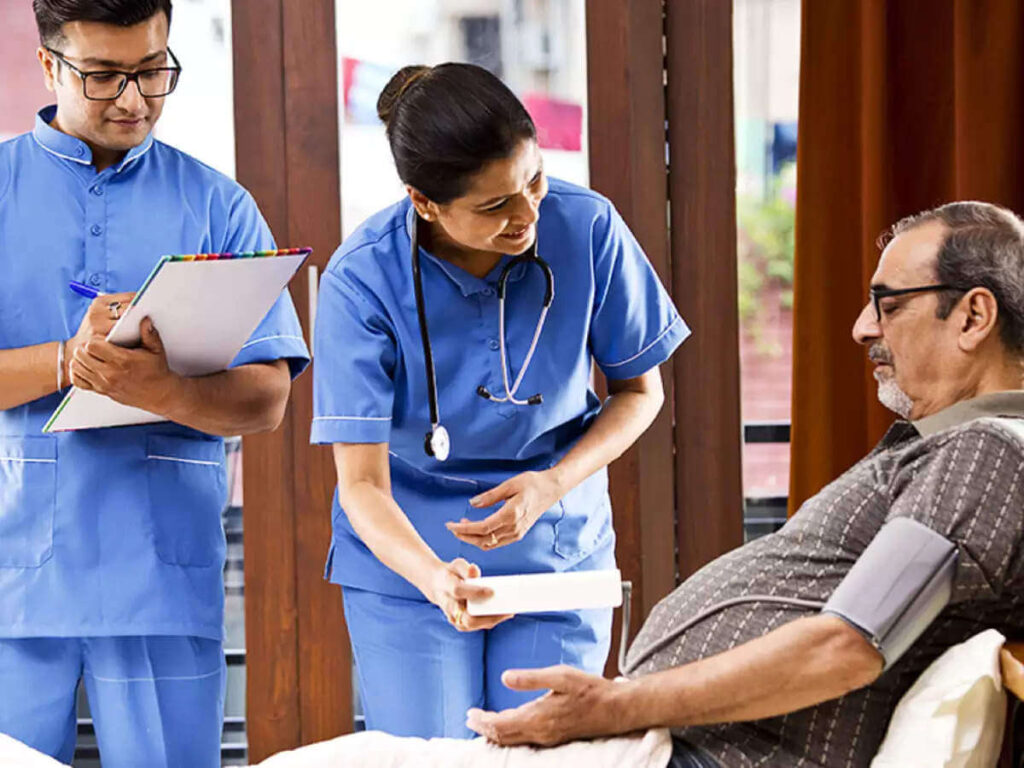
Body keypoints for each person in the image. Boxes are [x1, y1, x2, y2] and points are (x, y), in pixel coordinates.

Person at [460, 201, 1024, 767]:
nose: (862, 327)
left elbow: (847, 645)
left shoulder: (989, 452)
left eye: (889, 304)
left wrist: (613, 705)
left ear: (973, 317)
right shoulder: (956, 450)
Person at [311, 63, 689, 738]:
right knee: (432, 756)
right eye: (494, 207)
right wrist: (433, 578)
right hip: (410, 561)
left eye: (534, 180)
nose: (528, 215)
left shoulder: (588, 228)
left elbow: (639, 392)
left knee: (546, 753)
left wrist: (550, 484)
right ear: (424, 202)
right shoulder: (362, 277)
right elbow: (361, 485)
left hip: (555, 544)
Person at [0, 2, 309, 766]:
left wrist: (162, 390)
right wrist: (62, 363)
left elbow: (268, 398)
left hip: (161, 572)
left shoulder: (219, 206)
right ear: (49, 66)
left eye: (153, 70)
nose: (135, 98)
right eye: (104, 76)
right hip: (11, 576)